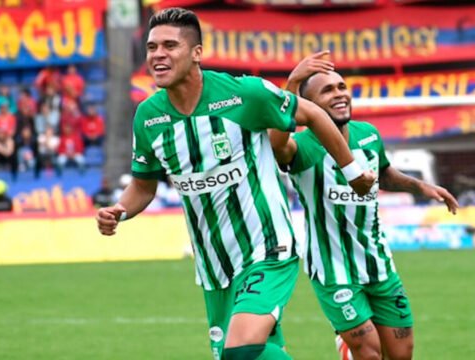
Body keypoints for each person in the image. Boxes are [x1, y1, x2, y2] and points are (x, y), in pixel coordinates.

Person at [96, 8, 375, 360]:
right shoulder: (149, 117)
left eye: (170, 45)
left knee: (239, 352)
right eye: (152, 48)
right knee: (257, 354)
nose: (158, 55)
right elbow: (143, 186)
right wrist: (120, 211)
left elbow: (314, 114)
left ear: (196, 53)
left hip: (266, 249)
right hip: (214, 266)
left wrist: (352, 173)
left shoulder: (244, 94)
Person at [270, 53, 459, 360]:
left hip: (379, 263)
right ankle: (349, 344)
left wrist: (420, 186)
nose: (340, 93)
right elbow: (277, 143)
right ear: (309, 105)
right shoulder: (301, 148)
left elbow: (384, 174)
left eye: (342, 86)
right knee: (369, 354)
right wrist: (292, 83)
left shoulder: (368, 135)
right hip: (334, 271)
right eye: (327, 90)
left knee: (401, 354)